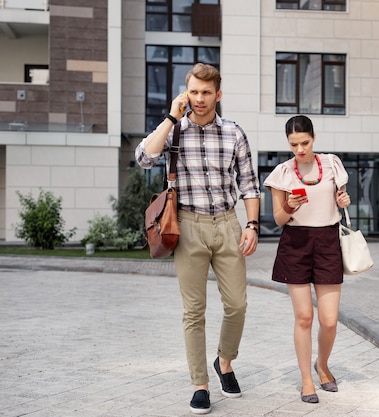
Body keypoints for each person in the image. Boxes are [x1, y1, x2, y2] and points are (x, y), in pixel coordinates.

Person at [135, 63, 261, 415]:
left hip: (226, 223)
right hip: (186, 226)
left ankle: (225, 360)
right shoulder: (174, 131)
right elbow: (144, 158)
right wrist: (171, 119)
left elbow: (249, 184)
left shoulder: (234, 133)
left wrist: (251, 225)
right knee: (194, 310)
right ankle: (200, 384)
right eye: (194, 92)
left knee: (237, 304)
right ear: (185, 93)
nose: (200, 99)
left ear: (218, 95)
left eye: (207, 92)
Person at [263, 115, 351, 403]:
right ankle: (306, 381)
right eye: (293, 144)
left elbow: (340, 195)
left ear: (314, 138)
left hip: (327, 242)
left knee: (329, 320)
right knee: (304, 317)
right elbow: (278, 219)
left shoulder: (332, 164)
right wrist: (289, 204)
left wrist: (343, 200)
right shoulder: (282, 173)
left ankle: (322, 364)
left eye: (304, 142)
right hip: (296, 243)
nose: (299, 149)